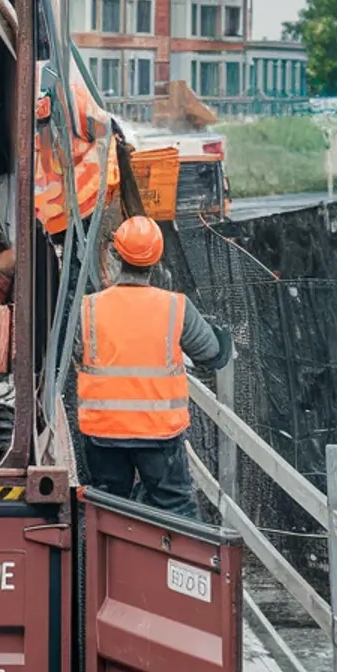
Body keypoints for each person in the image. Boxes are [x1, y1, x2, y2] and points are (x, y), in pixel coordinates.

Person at [77, 214, 233, 518]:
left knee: (108, 512)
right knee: (177, 512)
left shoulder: (90, 307)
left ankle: (104, 566)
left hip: (103, 434)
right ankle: (186, 565)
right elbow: (212, 354)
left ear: (115, 255)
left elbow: (75, 354)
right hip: (159, 435)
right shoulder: (175, 307)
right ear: (156, 259)